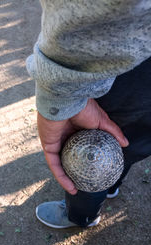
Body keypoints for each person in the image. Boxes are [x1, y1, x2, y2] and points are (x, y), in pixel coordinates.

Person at [26, 0, 151, 228]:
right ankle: (112, 183)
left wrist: (60, 96)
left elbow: (95, 11)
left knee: (91, 166)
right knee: (132, 143)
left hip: (129, 79)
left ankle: (82, 216)